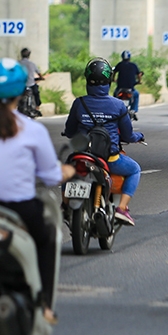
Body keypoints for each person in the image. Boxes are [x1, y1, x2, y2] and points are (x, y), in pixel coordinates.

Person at [0, 58, 75, 325]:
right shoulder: (32, 130)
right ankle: (42, 305)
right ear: (21, 92)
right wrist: (65, 172)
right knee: (48, 238)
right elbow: (50, 174)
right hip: (21, 210)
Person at [64, 58, 144, 226]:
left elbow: (70, 131)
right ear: (109, 81)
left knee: (67, 171)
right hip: (109, 159)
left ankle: (65, 205)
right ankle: (122, 208)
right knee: (135, 169)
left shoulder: (79, 103)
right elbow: (128, 136)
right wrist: (138, 137)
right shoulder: (119, 105)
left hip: (82, 156)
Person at [113, 50, 143, 119]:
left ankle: (114, 109)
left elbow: (114, 72)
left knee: (115, 95)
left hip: (120, 88)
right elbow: (139, 75)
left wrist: (113, 79)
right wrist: (139, 81)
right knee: (136, 94)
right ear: (129, 58)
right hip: (130, 89)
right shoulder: (133, 65)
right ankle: (133, 110)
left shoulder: (119, 65)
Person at [19, 48, 45, 117]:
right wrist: (41, 78)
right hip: (31, 84)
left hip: (21, 85)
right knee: (36, 93)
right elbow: (39, 73)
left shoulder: (18, 64)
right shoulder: (32, 64)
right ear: (29, 55)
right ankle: (37, 107)